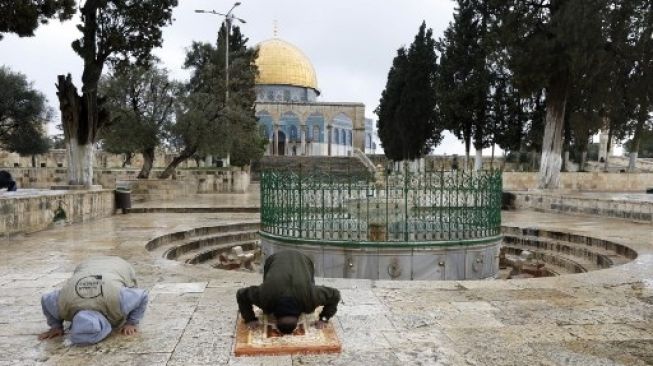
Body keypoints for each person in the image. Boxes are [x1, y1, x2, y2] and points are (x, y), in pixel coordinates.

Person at [38, 256, 148, 345]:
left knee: (128, 287)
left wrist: (132, 322)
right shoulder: (63, 304)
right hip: (85, 265)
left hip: (120, 265)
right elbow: (45, 299)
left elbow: (142, 295)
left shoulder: (116, 300)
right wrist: (56, 326)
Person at [236, 250, 340, 335]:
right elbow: (335, 294)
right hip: (279, 260)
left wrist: (324, 318)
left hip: (300, 260)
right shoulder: (264, 297)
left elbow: (335, 294)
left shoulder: (310, 298)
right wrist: (324, 318)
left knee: (305, 284)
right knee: (270, 284)